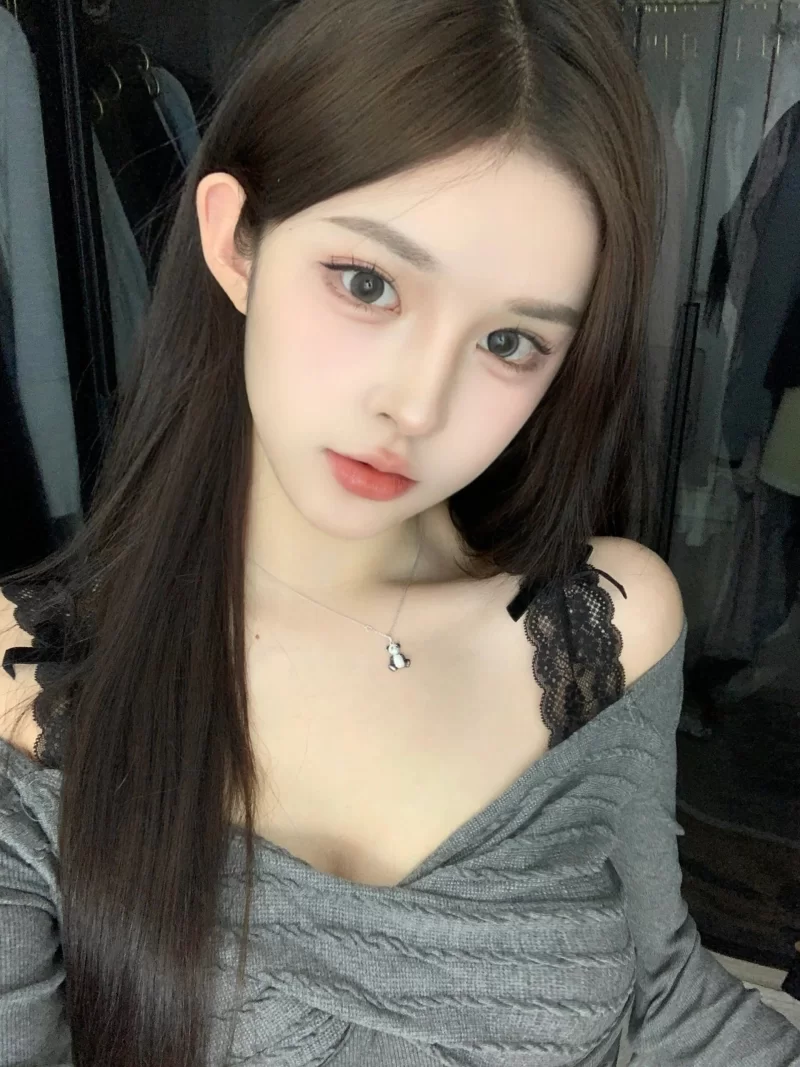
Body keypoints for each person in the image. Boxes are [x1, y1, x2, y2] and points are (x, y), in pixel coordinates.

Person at [1, 0, 799, 1064]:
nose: (418, 406)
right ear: (236, 240)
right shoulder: (30, 678)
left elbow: (666, 998)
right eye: (368, 283)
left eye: (509, 342)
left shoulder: (601, 629)